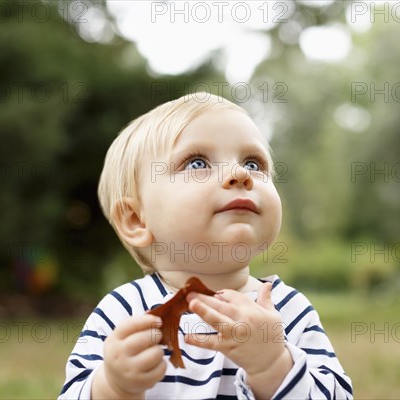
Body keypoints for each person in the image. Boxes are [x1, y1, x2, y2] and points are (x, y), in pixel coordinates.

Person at [58, 92, 353, 399]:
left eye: (253, 163)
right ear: (136, 220)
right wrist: (112, 386)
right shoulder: (124, 313)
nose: (239, 174)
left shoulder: (286, 311)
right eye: (197, 162)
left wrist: (274, 365)